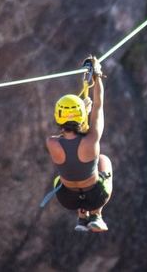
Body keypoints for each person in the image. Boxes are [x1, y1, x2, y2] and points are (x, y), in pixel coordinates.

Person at [45, 56, 113, 233]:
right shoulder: (91, 139)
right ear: (82, 116)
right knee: (104, 160)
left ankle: (82, 217)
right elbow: (99, 105)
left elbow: (67, 137)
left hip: (68, 199)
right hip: (96, 197)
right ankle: (97, 215)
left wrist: (82, 111)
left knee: (63, 178)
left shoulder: (52, 142)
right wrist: (97, 75)